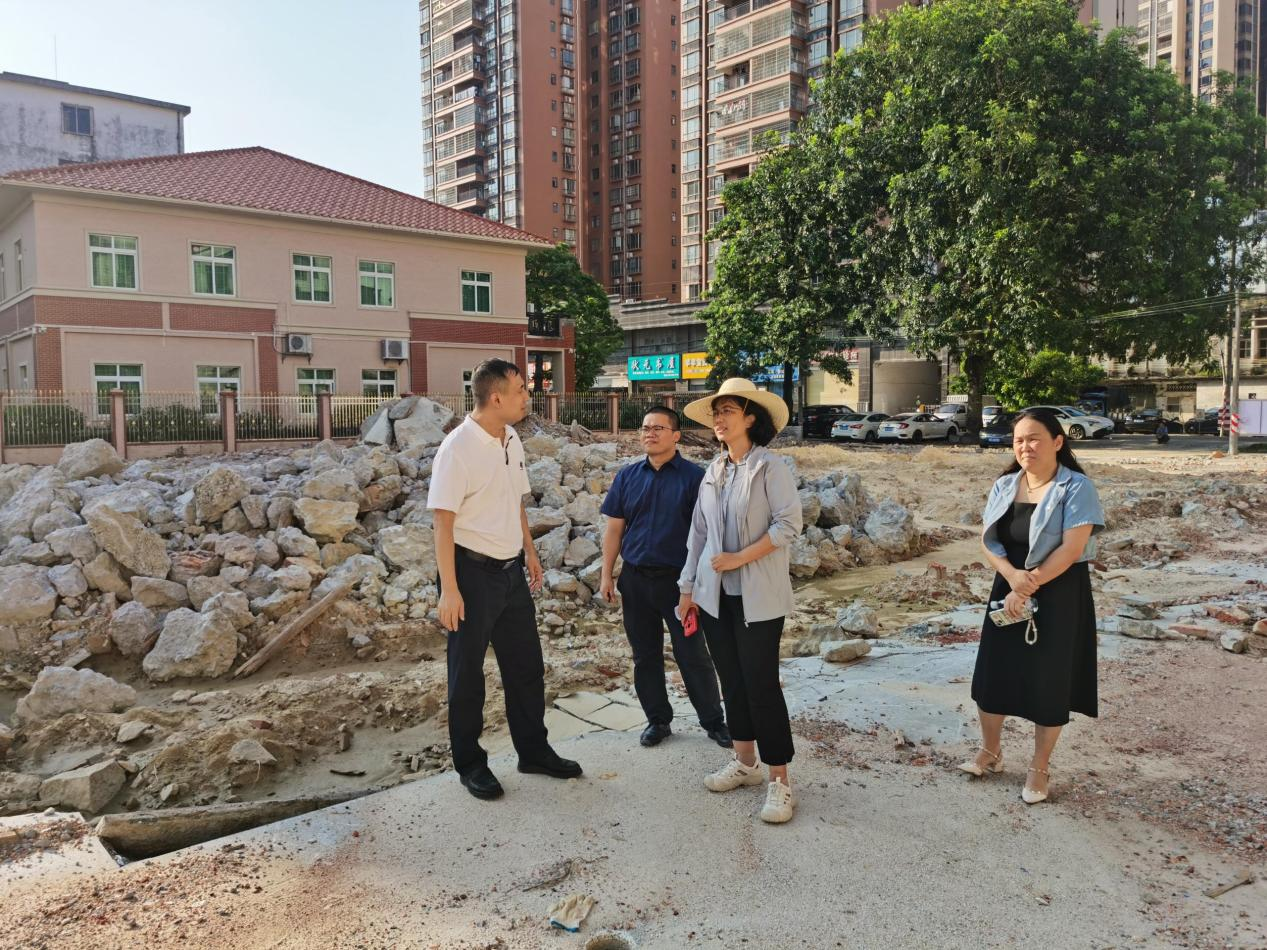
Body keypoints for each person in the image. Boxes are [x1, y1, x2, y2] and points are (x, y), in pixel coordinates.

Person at [428, 358, 582, 800]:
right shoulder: (457, 448)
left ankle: (533, 752)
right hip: (470, 575)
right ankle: (471, 765)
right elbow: (442, 522)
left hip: (510, 570)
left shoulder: (510, 438)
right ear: (496, 397)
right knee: (467, 676)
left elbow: (515, 499)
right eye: (520, 391)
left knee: (526, 666)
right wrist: (450, 589)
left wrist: (528, 551)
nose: (526, 398)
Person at [960, 408, 1105, 804]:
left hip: (1059, 591)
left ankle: (1039, 768)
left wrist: (1028, 585)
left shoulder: (1076, 487)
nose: (1025, 446)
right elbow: (989, 542)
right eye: (1019, 440)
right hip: (1008, 585)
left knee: (1049, 679)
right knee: (993, 672)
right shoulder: (1005, 485)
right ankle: (990, 751)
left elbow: (1072, 549)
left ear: (1058, 441)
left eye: (1034, 438)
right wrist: (1012, 578)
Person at [678, 378, 802, 824]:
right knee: (731, 680)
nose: (719, 419)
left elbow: (789, 525)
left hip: (758, 597)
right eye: (716, 412)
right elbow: (698, 533)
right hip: (715, 597)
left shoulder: (771, 467)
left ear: (750, 417)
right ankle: (745, 762)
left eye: (727, 410)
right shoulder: (713, 470)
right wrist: (687, 589)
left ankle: (780, 780)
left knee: (761, 684)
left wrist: (738, 558)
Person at [599, 407, 731, 750]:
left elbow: (707, 535)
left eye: (658, 428)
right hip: (635, 580)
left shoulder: (695, 478)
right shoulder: (627, 476)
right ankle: (657, 720)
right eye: (645, 428)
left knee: (692, 655)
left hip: (679, 584)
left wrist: (698, 586)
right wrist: (606, 575)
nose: (650, 433)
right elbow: (614, 530)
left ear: (676, 436)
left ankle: (713, 721)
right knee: (645, 656)